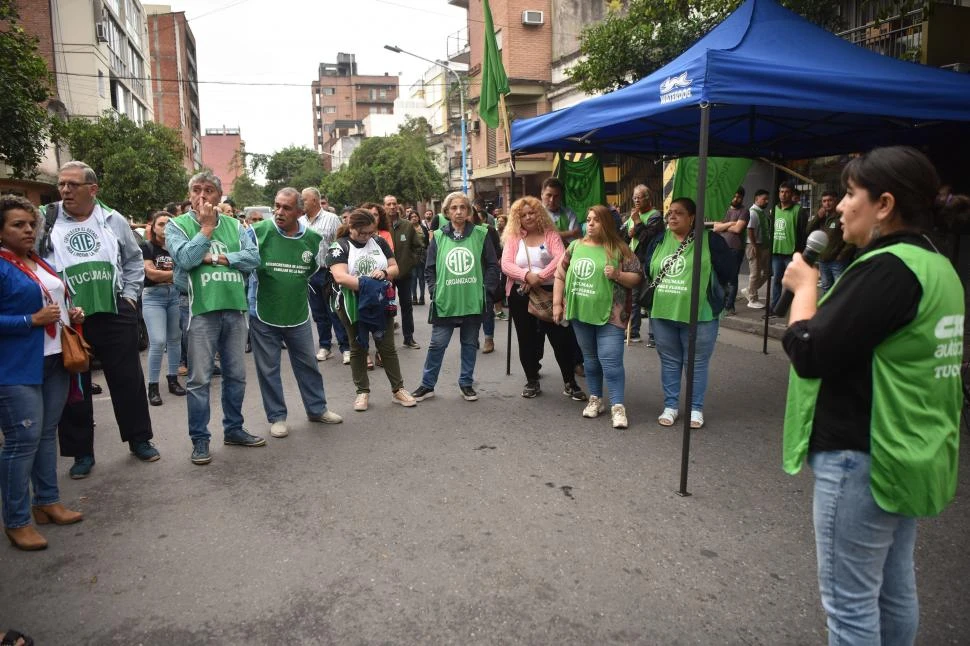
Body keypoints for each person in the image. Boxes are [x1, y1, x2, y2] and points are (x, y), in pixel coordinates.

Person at [781, 146, 965, 645]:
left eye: (849, 194)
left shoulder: (888, 269)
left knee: (851, 607)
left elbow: (811, 350)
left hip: (864, 453)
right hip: (906, 448)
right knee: (892, 590)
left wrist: (803, 291)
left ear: (884, 204)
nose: (838, 207)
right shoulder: (936, 264)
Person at [39, 161, 158, 479]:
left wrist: (131, 298)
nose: (65, 190)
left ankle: (139, 439)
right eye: (61, 184)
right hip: (68, 317)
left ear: (92, 189)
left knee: (127, 378)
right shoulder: (46, 218)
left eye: (72, 185)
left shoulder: (112, 219)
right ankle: (81, 453)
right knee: (75, 384)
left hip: (114, 309)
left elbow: (133, 259)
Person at [1, 195, 84, 551]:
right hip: (16, 366)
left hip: (54, 359)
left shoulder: (36, 261)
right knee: (22, 443)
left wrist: (69, 313)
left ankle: (47, 502)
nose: (28, 230)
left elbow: (52, 301)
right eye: (17, 225)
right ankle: (16, 520)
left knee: (47, 434)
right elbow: (28, 314)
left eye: (31, 224)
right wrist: (29, 321)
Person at [166, 171, 262, 466]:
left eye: (209, 190)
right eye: (197, 189)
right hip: (199, 310)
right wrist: (206, 229)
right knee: (199, 379)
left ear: (219, 196)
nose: (203, 195)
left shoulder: (236, 225)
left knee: (236, 375)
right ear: (190, 194)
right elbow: (185, 259)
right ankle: (200, 439)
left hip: (233, 307)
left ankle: (233, 429)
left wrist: (220, 258)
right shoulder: (176, 226)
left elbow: (253, 258)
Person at [247, 188, 343, 437]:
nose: (279, 212)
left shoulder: (312, 239)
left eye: (286, 208)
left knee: (308, 364)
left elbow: (310, 269)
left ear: (300, 212)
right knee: (268, 369)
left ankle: (317, 409)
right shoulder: (258, 233)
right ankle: (277, 417)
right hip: (264, 313)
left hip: (298, 313)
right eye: (277, 206)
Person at [642, 198, 732, 430]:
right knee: (670, 362)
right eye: (669, 213)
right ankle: (670, 406)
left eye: (678, 213)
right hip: (663, 313)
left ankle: (695, 408)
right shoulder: (659, 240)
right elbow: (647, 268)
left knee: (696, 363)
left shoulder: (711, 241)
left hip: (700, 315)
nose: (671, 217)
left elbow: (727, 271)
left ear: (692, 217)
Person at [553, 205, 641, 429]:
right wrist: (556, 304)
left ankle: (618, 406)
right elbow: (560, 275)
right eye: (588, 219)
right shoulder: (574, 246)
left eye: (596, 220)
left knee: (610, 361)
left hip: (611, 315)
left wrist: (618, 275)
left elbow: (638, 278)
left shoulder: (620, 249)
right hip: (581, 313)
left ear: (607, 224)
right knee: (590, 360)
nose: (590, 223)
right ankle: (595, 399)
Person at [326, 209, 417, 412]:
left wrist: (384, 272)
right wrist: (369, 285)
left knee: (387, 346)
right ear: (352, 228)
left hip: (379, 302)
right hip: (352, 303)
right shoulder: (339, 247)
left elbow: (395, 268)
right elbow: (340, 277)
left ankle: (398, 389)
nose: (367, 237)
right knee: (358, 346)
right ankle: (362, 391)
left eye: (370, 232)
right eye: (362, 233)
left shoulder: (379, 242)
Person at [412, 192, 499, 402]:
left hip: (472, 301)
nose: (459, 211)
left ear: (469, 211)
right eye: (454, 208)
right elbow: (429, 269)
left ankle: (466, 383)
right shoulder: (439, 237)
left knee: (469, 344)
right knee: (437, 344)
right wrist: (434, 291)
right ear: (447, 212)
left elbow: (493, 265)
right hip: (446, 302)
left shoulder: (481, 234)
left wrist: (486, 291)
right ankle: (427, 384)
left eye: (463, 207)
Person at [502, 196, 586, 401]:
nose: (528, 217)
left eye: (532, 212)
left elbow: (561, 258)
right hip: (521, 294)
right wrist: (526, 276)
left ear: (539, 213)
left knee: (561, 339)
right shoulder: (513, 238)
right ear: (517, 219)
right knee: (527, 339)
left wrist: (539, 277)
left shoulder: (551, 235)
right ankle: (532, 380)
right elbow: (506, 264)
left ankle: (570, 382)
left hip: (551, 293)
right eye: (523, 215)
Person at [140, 211, 185, 406]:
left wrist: (166, 274)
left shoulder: (177, 248)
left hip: (175, 296)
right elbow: (151, 274)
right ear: (153, 227)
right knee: (158, 341)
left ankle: (173, 380)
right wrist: (176, 274)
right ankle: (153, 387)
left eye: (169, 223)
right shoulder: (147, 246)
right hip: (153, 297)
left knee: (175, 339)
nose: (165, 227)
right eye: (161, 224)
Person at [300, 187, 349, 363]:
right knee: (318, 312)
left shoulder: (331, 219)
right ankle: (325, 346)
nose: (301, 203)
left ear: (314, 200)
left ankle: (346, 347)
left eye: (304, 200)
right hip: (310, 274)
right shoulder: (300, 222)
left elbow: (340, 243)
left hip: (329, 272)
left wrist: (339, 268)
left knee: (335, 310)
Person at [623, 185, 663, 343]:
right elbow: (624, 240)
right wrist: (629, 233)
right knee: (633, 299)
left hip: (648, 261)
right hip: (633, 263)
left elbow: (649, 239)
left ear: (648, 198)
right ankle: (632, 332)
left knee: (649, 298)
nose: (637, 200)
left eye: (640, 197)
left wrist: (638, 223)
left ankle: (653, 336)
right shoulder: (632, 216)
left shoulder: (655, 216)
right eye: (634, 197)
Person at [384, 195, 423, 350]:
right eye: (389, 204)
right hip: (386, 275)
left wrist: (411, 262)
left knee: (407, 306)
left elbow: (418, 246)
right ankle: (386, 341)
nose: (392, 206)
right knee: (386, 307)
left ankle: (409, 338)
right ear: (384, 206)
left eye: (394, 203)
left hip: (405, 274)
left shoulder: (407, 225)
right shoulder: (380, 226)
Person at [711, 188, 749, 315]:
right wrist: (731, 223)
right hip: (721, 247)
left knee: (732, 279)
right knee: (719, 277)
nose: (736, 199)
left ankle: (729, 306)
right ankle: (721, 304)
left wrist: (725, 225)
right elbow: (715, 228)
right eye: (734, 196)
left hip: (735, 249)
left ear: (742, 198)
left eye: (739, 197)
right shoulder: (724, 209)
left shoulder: (744, 211)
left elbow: (738, 229)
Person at [770, 181, 806, 313]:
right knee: (776, 282)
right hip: (776, 252)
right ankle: (775, 308)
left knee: (793, 283)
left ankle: (796, 309)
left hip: (792, 253)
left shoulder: (799, 211)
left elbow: (803, 234)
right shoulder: (774, 209)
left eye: (787, 192)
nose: (783, 195)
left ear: (791, 194)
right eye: (781, 192)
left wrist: (799, 253)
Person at [808, 191, 854, 294]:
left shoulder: (842, 217)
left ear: (836, 201)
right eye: (824, 201)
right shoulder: (821, 217)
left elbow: (851, 238)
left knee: (840, 289)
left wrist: (842, 255)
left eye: (830, 200)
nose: (827, 203)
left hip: (837, 261)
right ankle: (828, 310)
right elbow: (808, 231)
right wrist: (817, 217)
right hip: (823, 260)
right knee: (826, 288)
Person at [743, 189, 771, 308]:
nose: (767, 201)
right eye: (764, 199)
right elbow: (750, 230)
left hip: (763, 246)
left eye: (767, 199)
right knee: (755, 273)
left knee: (767, 272)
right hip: (754, 246)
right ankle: (752, 300)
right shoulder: (753, 212)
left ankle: (749, 290)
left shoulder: (761, 212)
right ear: (757, 199)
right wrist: (754, 246)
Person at [542, 177, 581, 243]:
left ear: (561, 197)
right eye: (549, 195)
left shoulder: (569, 213)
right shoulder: (534, 214)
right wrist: (570, 233)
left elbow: (574, 240)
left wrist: (549, 235)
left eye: (556, 196)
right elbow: (540, 237)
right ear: (542, 195)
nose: (552, 200)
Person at [409, 211, 428, 306]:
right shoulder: (408, 228)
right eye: (412, 217)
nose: (414, 218)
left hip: (422, 255)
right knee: (413, 277)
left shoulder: (423, 228)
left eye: (415, 216)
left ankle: (422, 297)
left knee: (421, 277)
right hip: (412, 255)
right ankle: (414, 297)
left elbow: (427, 242)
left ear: (418, 217)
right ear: (409, 218)